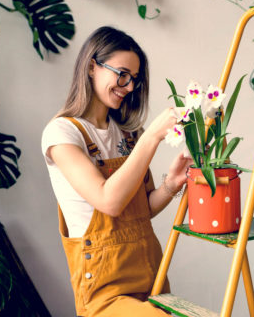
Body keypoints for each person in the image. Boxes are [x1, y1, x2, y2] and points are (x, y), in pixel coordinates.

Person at [41, 26, 192, 316]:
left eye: (134, 79)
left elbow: (140, 210)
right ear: (91, 67)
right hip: (104, 289)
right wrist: (152, 138)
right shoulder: (61, 133)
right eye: (123, 74)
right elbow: (109, 201)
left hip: (150, 272)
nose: (130, 86)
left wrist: (171, 185)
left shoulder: (128, 134)